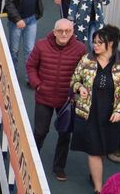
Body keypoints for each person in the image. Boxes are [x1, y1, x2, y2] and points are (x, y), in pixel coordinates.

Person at [70, 24, 120, 194]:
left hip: (110, 115)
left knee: (103, 149)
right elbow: (74, 80)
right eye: (94, 42)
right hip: (89, 113)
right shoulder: (87, 60)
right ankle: (99, 190)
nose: (95, 45)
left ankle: (95, 174)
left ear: (111, 43)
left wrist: (119, 111)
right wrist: (80, 88)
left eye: (99, 42)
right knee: (94, 150)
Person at [26, 19, 86, 181]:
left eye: (68, 31)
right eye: (60, 31)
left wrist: (77, 90)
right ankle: (32, 163)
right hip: (44, 97)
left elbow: (83, 73)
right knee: (40, 132)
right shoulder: (41, 45)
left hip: (66, 100)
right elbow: (31, 66)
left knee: (65, 134)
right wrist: (37, 85)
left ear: (72, 32)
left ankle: (59, 167)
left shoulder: (80, 49)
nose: (64, 34)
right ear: (54, 32)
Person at [4, 0, 43, 72]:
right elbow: (9, 2)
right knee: (14, 51)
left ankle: (29, 77)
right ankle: (12, 75)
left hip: (32, 19)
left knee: (30, 50)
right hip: (16, 22)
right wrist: (17, 19)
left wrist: (37, 13)